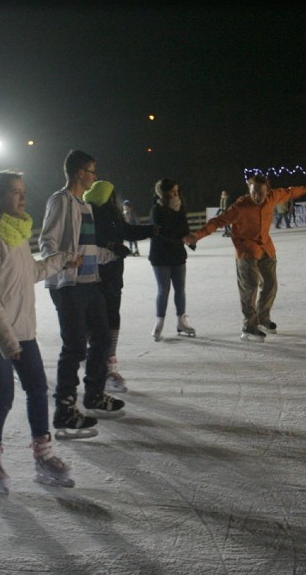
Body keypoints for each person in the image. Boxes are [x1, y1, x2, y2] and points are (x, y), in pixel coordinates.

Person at [0, 170, 81, 493]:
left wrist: (61, 261)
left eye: (23, 191)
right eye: (15, 192)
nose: (22, 197)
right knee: (3, 394)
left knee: (38, 390)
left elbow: (30, 273)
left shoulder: (14, 234)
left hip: (21, 328)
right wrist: (6, 339)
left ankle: (43, 457)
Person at [38, 149, 125, 438]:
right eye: (91, 171)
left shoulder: (84, 206)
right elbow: (47, 240)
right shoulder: (60, 200)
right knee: (74, 346)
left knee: (101, 339)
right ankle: (64, 408)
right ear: (79, 173)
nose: (95, 176)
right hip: (68, 286)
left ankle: (94, 394)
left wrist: (110, 253)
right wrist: (62, 259)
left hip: (90, 282)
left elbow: (86, 248)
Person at [183, 174, 306, 341]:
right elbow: (217, 222)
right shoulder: (240, 206)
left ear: (267, 190)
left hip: (266, 248)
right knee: (250, 287)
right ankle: (249, 325)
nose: (257, 196)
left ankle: (262, 317)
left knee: (271, 284)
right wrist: (197, 235)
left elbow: (290, 192)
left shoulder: (272, 197)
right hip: (246, 250)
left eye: (261, 192)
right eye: (254, 192)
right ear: (249, 190)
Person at [84, 181, 157, 392]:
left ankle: (110, 366)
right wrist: (112, 247)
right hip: (96, 278)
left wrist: (151, 230)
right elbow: (87, 242)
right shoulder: (88, 215)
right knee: (100, 325)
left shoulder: (114, 217)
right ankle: (101, 368)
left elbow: (128, 231)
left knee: (112, 320)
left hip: (114, 276)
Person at [148, 178, 196, 341]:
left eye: (177, 190)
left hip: (177, 254)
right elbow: (162, 232)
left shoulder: (180, 206)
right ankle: (159, 322)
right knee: (163, 289)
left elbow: (184, 227)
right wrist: (179, 236)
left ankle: (181, 321)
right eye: (172, 191)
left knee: (180, 288)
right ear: (164, 192)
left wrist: (190, 239)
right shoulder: (157, 209)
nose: (176, 194)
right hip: (161, 255)